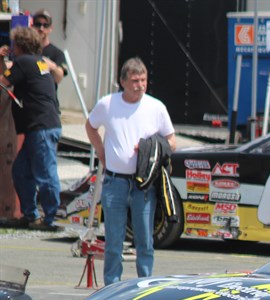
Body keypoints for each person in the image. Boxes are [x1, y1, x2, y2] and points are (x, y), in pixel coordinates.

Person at [85, 57, 176, 285]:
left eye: (143, 80)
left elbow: (171, 141)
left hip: (143, 184)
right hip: (115, 182)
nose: (140, 85)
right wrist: (101, 152)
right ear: (123, 82)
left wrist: (151, 148)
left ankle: (144, 286)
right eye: (135, 81)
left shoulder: (156, 107)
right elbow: (90, 126)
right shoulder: (108, 104)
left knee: (144, 241)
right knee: (113, 242)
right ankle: (112, 288)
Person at [0, 26, 62, 231]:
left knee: (45, 173)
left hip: (41, 127)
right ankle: (31, 215)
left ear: (19, 45)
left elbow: (3, 81)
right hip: (42, 126)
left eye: (14, 44)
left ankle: (50, 218)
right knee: (21, 171)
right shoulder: (39, 61)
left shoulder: (24, 62)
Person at [32, 9, 68, 104]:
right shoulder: (25, 50)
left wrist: (50, 66)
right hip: (28, 104)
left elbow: (58, 78)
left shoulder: (57, 53)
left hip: (47, 104)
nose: (41, 28)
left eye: (45, 25)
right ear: (32, 26)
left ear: (51, 28)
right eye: (38, 24)